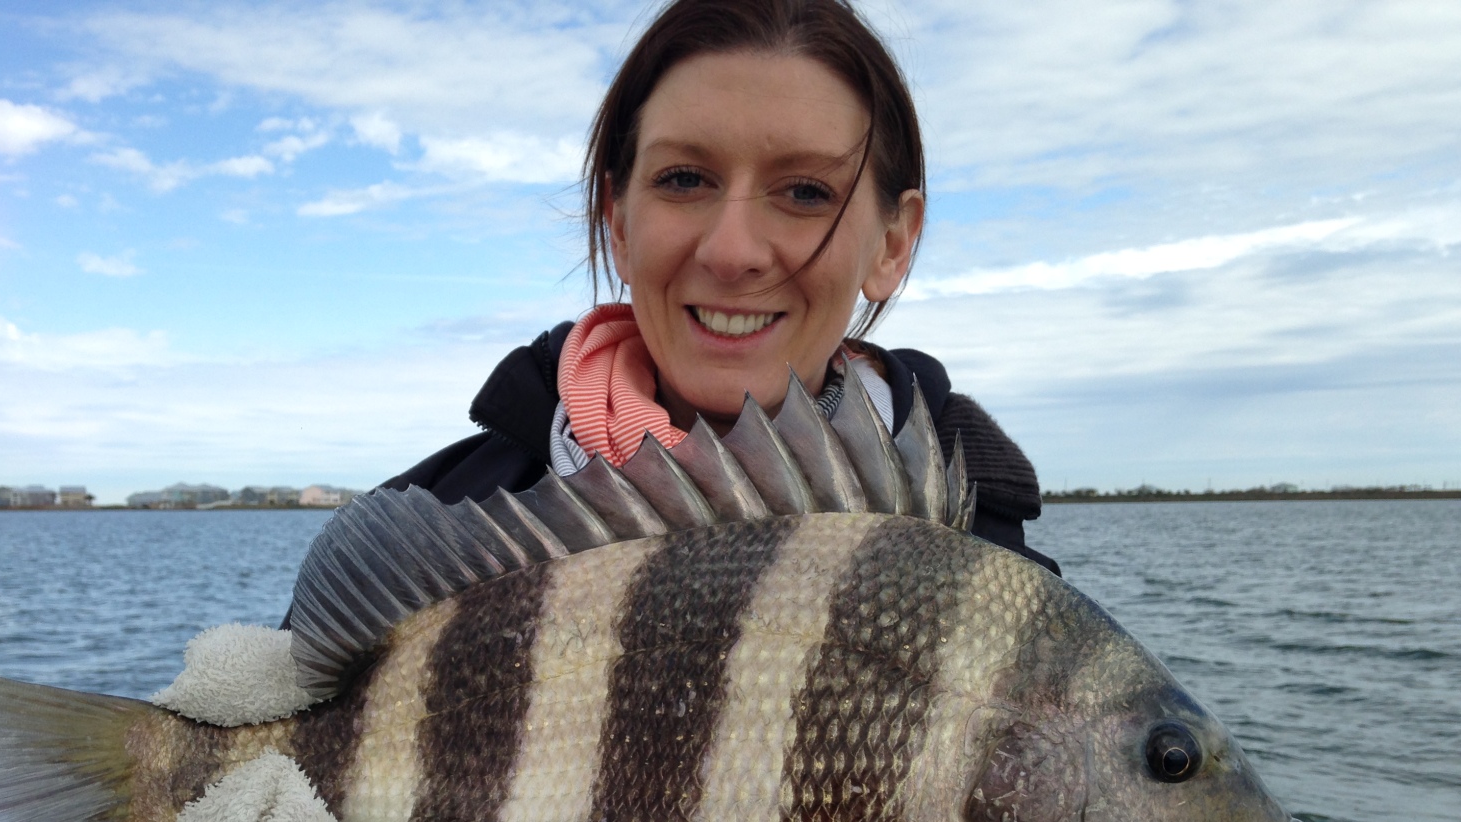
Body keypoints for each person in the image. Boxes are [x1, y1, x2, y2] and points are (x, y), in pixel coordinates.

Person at [381, 0, 1057, 574]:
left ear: (892, 244)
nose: (732, 252)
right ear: (619, 222)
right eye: (683, 179)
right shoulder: (427, 541)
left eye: (805, 191)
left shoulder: (993, 580)